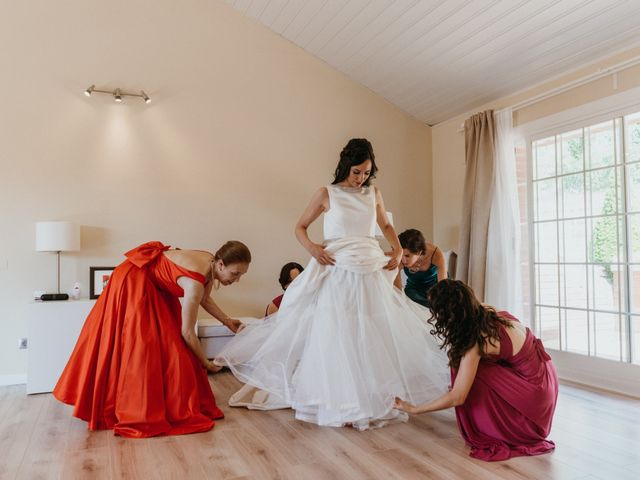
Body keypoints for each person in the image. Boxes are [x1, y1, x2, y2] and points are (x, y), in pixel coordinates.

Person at [216, 138, 449, 430]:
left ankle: (368, 396)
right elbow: (299, 227)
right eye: (356, 172)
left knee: (371, 330)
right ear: (345, 166)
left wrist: (398, 249)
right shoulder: (326, 193)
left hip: (367, 265)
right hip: (338, 266)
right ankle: (338, 399)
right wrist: (313, 248)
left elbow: (385, 225)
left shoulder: (373, 193)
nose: (361, 177)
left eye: (366, 172)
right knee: (338, 330)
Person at [53, 240, 251, 438]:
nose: (237, 280)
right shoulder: (195, 282)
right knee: (141, 344)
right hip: (134, 278)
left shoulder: (210, 262)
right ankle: (130, 405)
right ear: (221, 264)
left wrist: (227, 321)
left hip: (153, 283)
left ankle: (161, 402)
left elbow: (205, 300)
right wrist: (205, 364)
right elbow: (188, 332)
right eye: (235, 274)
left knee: (166, 345)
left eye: (241, 275)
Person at [394, 279, 558, 461]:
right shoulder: (486, 311)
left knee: (462, 364)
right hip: (545, 380)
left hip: (533, 404)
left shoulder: (476, 341)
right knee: (463, 362)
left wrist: (415, 409)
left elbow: (458, 397)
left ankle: (496, 426)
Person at [395, 229, 446, 307]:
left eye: (407, 256)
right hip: (414, 290)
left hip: (436, 287)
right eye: (401, 255)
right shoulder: (400, 258)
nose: (403, 260)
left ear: (419, 252)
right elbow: (398, 291)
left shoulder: (436, 254)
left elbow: (443, 286)